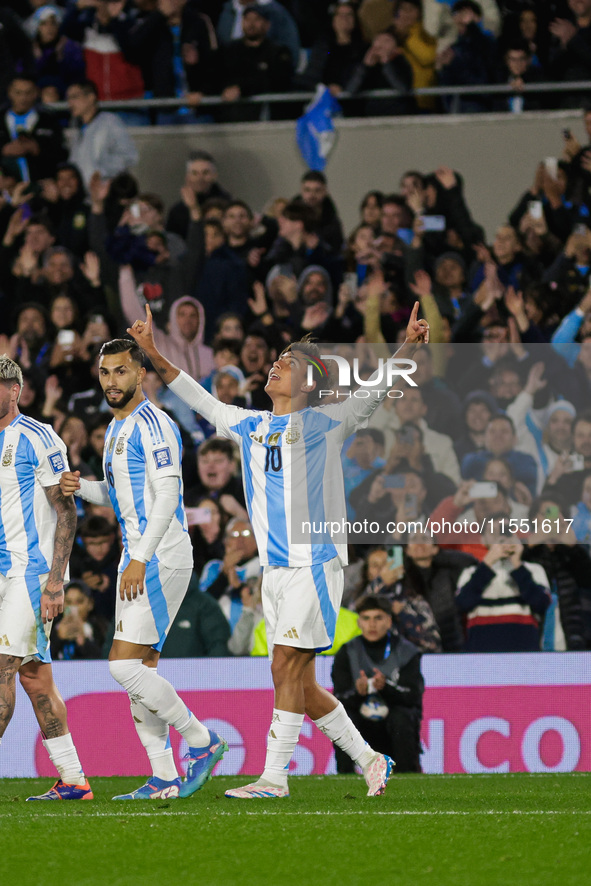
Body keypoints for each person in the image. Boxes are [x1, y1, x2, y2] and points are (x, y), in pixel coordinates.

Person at [127, 299, 429, 799]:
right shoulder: (248, 425)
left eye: (286, 363)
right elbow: (195, 395)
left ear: (307, 382)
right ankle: (370, 759)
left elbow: (377, 389)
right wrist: (153, 351)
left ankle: (275, 778)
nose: (275, 365)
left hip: (314, 562)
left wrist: (407, 347)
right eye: (276, 360)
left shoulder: (332, 421)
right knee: (298, 682)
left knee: (285, 661)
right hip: (275, 570)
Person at [59, 338, 227, 800]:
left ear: (140, 374)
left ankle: (202, 740)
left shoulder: (155, 425)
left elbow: (169, 497)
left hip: (159, 556)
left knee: (123, 667)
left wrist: (139, 558)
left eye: (120, 371)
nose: (112, 381)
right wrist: (81, 488)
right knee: (142, 671)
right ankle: (165, 778)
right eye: (105, 372)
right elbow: (118, 497)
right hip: (137, 555)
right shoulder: (115, 429)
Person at [0, 355, 91, 801]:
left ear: (14, 390)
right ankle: (74, 779)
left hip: (29, 574)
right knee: (35, 678)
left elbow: (66, 511)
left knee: (1, 669)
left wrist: (56, 581)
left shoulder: (37, 437)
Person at [331, 595, 424, 773]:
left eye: (378, 618)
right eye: (366, 618)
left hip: (394, 723)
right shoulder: (346, 652)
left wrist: (386, 688)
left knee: (402, 717)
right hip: (361, 722)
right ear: (359, 622)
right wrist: (359, 692)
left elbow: (413, 696)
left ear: (389, 621)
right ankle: (344, 778)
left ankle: (407, 776)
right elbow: (339, 698)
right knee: (342, 720)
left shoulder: (407, 652)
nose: (372, 624)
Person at [66, 80, 139, 187]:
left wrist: (101, 172)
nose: (70, 103)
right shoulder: (77, 128)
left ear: (91, 97)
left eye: (74, 97)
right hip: (84, 195)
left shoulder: (109, 121)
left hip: (106, 191)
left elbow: (129, 156)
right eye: (68, 98)